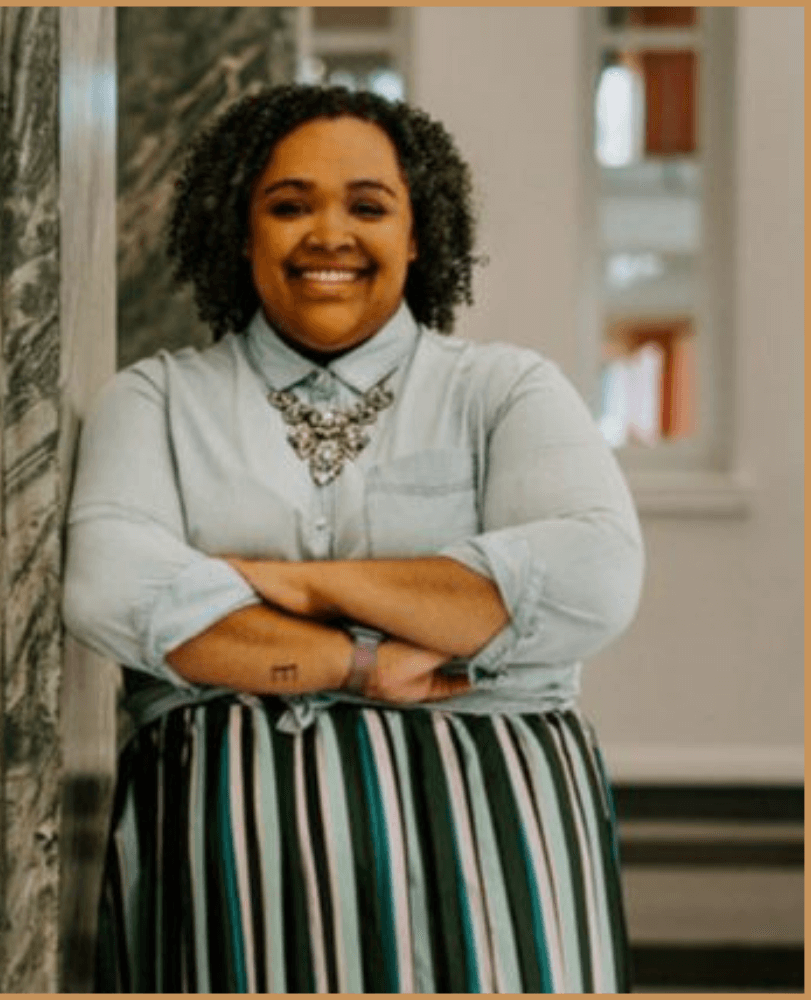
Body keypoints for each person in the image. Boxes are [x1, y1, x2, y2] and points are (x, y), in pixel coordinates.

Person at [63, 84, 644, 993]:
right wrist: (364, 662)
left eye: (368, 207)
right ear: (241, 230)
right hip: (236, 867)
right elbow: (111, 588)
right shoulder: (156, 400)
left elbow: (592, 577)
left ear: (416, 235)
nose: (329, 235)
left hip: (499, 846)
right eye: (289, 206)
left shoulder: (505, 390)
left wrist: (291, 584)